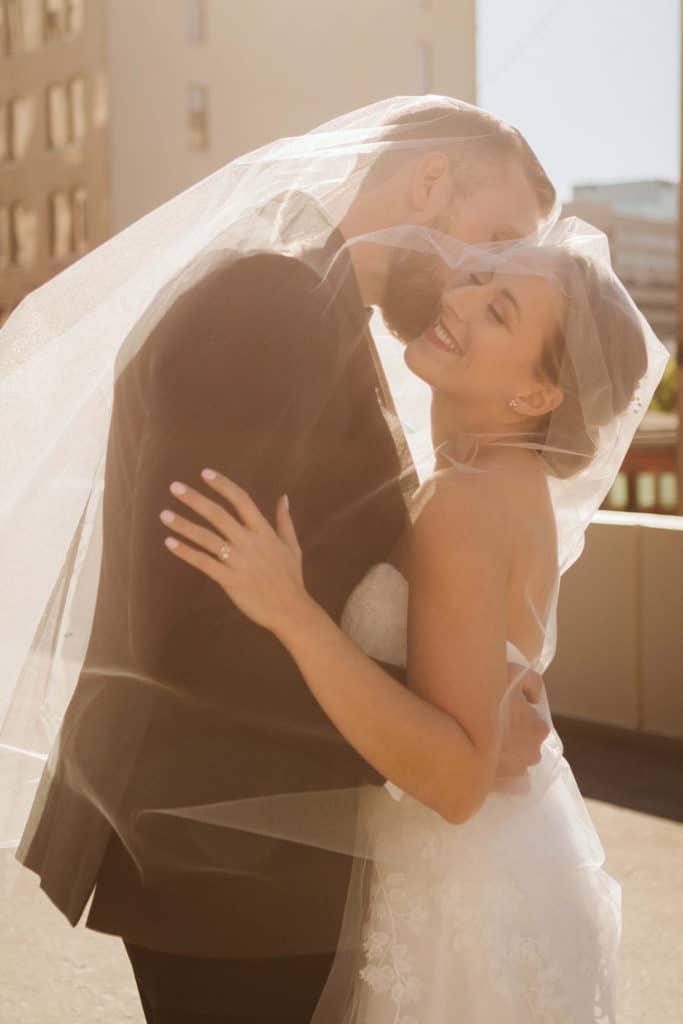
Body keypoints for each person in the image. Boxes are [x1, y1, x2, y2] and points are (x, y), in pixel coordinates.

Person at [3, 98, 559, 1022]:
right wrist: (443, 735)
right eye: (492, 236)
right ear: (427, 183)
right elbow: (203, 623)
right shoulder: (271, 302)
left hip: (250, 859)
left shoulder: (314, 303)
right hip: (232, 865)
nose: (486, 270)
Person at [157, 226, 667, 1022]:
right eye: (478, 279)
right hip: (496, 873)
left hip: (462, 901)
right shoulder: (499, 481)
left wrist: (291, 612)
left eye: (497, 311)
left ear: (535, 397)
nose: (456, 300)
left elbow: (458, 782)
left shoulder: (465, 503)